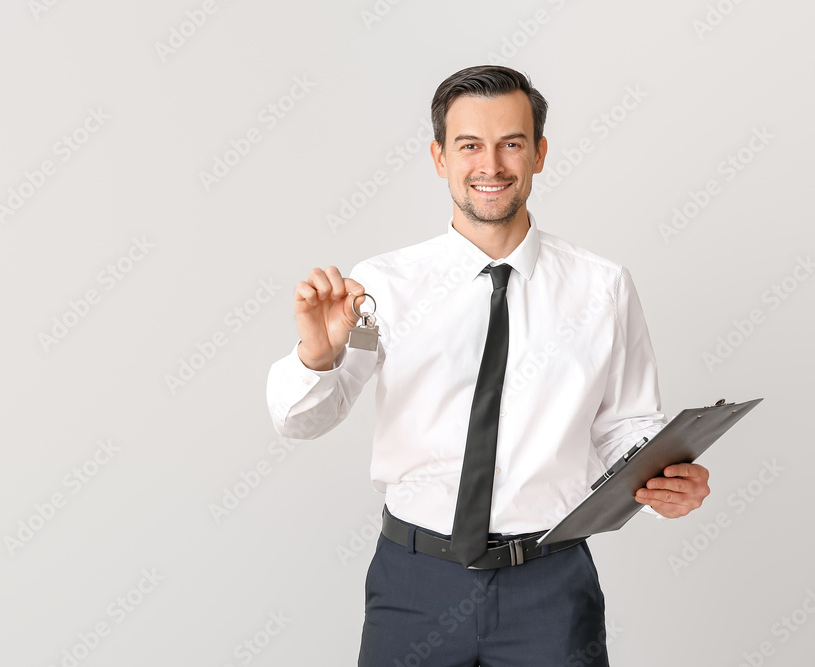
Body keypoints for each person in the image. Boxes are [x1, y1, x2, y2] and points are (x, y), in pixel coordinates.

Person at [265, 65, 710, 666]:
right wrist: (318, 356)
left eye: (512, 143)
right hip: (415, 582)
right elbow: (300, 421)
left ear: (540, 154)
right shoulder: (382, 286)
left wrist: (667, 481)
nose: (491, 165)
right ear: (439, 157)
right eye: (470, 145)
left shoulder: (600, 287)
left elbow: (623, 426)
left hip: (550, 586)